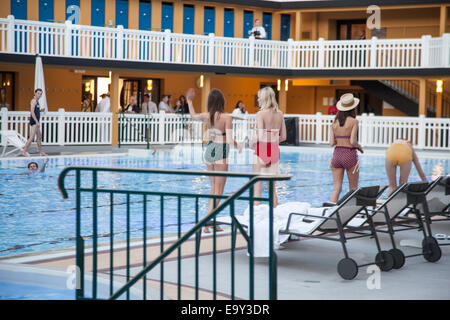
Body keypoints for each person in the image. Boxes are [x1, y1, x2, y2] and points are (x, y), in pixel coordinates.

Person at [186, 87, 242, 233]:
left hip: (209, 150)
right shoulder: (226, 118)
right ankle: (207, 222)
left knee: (213, 189)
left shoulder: (207, 116)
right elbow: (229, 140)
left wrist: (189, 101)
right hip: (221, 151)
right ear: (222, 101)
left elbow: (193, 116)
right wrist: (238, 145)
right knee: (219, 190)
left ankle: (212, 221)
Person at [251, 87, 286, 208]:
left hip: (262, 150)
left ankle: (255, 216)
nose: (258, 99)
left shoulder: (261, 114)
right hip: (274, 150)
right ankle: (275, 215)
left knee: (257, 187)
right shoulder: (280, 114)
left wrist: (252, 141)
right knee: (272, 188)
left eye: (259, 96)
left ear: (264, 98)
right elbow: (284, 137)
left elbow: (260, 136)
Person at [329, 93, 364, 203]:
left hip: (337, 155)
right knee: (353, 188)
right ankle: (351, 212)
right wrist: (359, 147)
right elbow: (352, 141)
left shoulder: (334, 123)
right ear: (353, 108)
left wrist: (339, 139)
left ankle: (329, 211)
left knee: (336, 189)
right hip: (350, 154)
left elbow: (331, 143)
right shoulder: (354, 121)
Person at [21, 89, 47, 157]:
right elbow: (32, 112)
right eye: (38, 93)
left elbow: (36, 111)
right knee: (32, 137)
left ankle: (40, 152)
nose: (39, 95)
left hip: (36, 121)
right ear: (35, 93)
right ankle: (24, 151)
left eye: (40, 94)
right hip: (34, 121)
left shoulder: (37, 101)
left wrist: (40, 110)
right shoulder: (33, 101)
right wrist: (36, 121)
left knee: (39, 136)